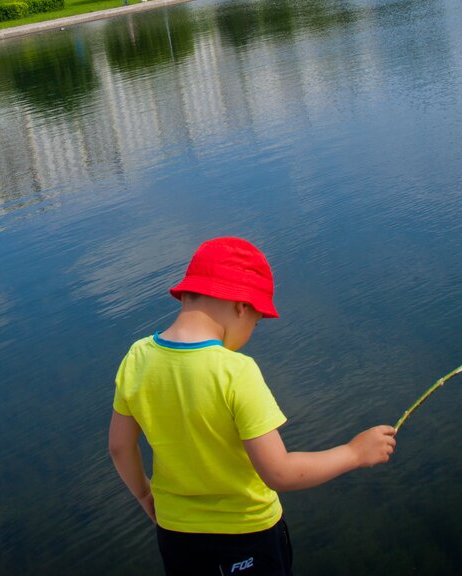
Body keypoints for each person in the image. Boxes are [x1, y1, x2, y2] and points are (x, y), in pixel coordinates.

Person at [109, 237, 397, 576]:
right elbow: (278, 472)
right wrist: (354, 453)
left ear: (187, 294)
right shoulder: (236, 372)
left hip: (175, 535)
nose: (251, 331)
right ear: (241, 306)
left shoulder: (137, 358)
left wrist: (145, 495)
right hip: (246, 537)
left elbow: (119, 447)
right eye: (256, 322)